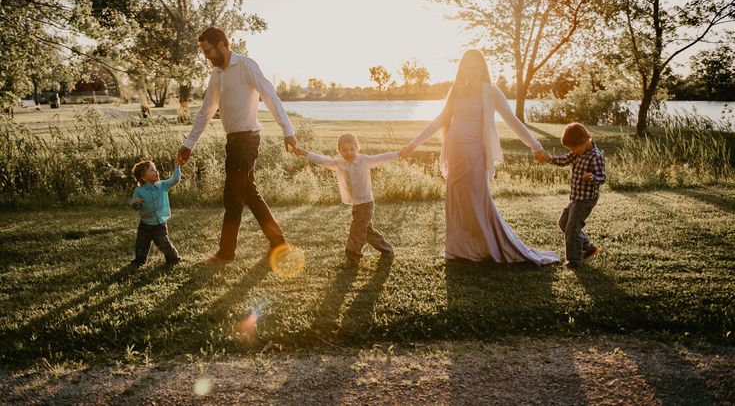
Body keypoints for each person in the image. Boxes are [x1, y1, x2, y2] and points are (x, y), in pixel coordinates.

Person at [400, 49, 559, 264]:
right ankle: (460, 249)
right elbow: (439, 121)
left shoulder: (491, 92)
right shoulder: (456, 91)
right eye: (466, 66)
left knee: (477, 200)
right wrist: (413, 143)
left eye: (474, 66)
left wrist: (535, 145)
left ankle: (487, 245)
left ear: (482, 68)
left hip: (475, 153)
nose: (470, 70)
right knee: (458, 200)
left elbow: (512, 120)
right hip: (455, 153)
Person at [176, 26, 297, 266]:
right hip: (233, 141)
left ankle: (226, 253)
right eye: (203, 52)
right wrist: (189, 144)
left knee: (233, 197)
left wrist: (288, 131)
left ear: (222, 44)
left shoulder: (246, 66)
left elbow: (270, 96)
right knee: (248, 192)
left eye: (208, 50)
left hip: (247, 139)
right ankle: (279, 242)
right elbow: (206, 111)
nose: (206, 56)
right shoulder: (216, 75)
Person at [293, 133, 397, 266]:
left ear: (357, 148)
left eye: (352, 149)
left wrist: (399, 153)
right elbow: (322, 160)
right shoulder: (339, 164)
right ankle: (387, 250)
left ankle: (352, 258)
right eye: (344, 150)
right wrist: (304, 153)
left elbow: (382, 157)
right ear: (339, 151)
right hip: (356, 204)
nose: (348, 153)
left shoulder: (364, 160)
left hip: (366, 204)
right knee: (366, 232)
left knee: (356, 230)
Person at [539, 122, 605, 269]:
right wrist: (548, 158)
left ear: (584, 141)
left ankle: (574, 261)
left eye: (574, 148)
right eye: (571, 149)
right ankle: (589, 247)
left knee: (572, 228)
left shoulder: (596, 157)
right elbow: (563, 160)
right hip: (576, 197)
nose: (572, 152)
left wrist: (592, 178)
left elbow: (602, 178)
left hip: (586, 199)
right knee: (563, 223)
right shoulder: (576, 153)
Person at [129, 160, 182, 267]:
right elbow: (135, 205)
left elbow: (175, 179)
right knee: (141, 244)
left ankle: (173, 259)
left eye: (155, 169)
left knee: (164, 243)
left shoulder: (162, 185)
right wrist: (136, 203)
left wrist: (177, 166)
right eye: (152, 170)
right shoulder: (139, 191)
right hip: (145, 225)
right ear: (143, 177)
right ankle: (139, 261)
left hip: (159, 224)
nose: (156, 172)